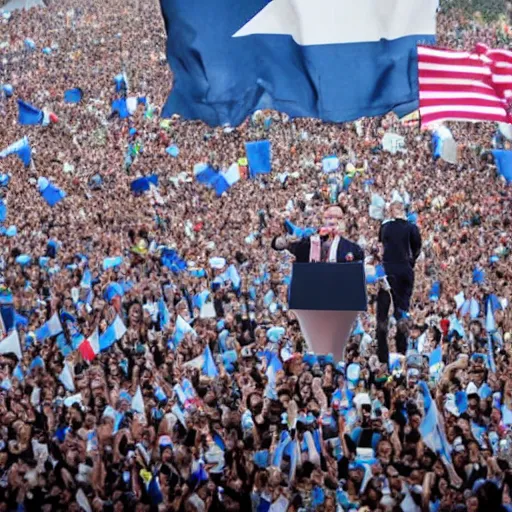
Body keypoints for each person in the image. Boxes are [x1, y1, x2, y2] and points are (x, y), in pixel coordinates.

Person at [376, 200, 422, 361]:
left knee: (385, 312)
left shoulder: (386, 227)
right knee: (402, 309)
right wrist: (410, 263)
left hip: (389, 271)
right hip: (405, 271)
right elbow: (417, 248)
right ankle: (402, 350)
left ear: (391, 212)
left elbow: (380, 249)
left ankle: (383, 354)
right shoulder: (412, 228)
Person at [271, 205, 364, 263]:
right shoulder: (295, 251)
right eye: (280, 245)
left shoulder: (352, 247)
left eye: (337, 218)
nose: (283, 242)